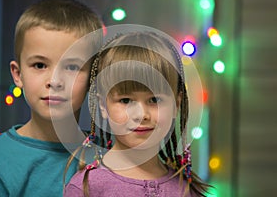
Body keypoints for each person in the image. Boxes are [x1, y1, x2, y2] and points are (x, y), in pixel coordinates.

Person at [0, 0, 102, 196]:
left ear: (92, 78)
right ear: (18, 74)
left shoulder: (112, 156)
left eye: (71, 67)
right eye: (40, 65)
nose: (54, 80)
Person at [64, 31, 211, 197]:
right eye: (126, 101)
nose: (141, 115)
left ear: (176, 104)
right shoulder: (86, 188)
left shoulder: (186, 190)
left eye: (154, 100)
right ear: (103, 105)